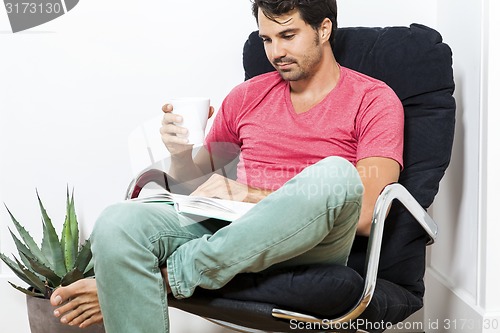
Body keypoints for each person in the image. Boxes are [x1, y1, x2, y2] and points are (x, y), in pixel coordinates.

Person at [50, 0, 404, 331]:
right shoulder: (247, 95)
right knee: (118, 221)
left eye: (288, 35)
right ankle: (177, 272)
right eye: (267, 39)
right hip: (230, 229)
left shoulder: (374, 100)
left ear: (324, 29)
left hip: (312, 238)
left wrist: (248, 196)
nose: (276, 52)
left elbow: (366, 212)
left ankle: (171, 276)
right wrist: (181, 153)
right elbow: (198, 186)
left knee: (336, 175)